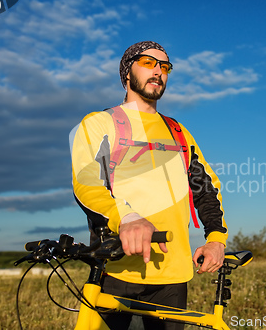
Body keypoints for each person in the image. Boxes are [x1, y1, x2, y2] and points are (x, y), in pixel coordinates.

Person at [70, 41, 228, 330]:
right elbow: (86, 182)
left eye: (164, 66)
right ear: (127, 72)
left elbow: (205, 187)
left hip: (173, 276)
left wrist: (216, 238)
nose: (159, 71)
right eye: (148, 63)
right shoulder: (101, 123)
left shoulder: (178, 131)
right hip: (116, 269)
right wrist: (126, 217)